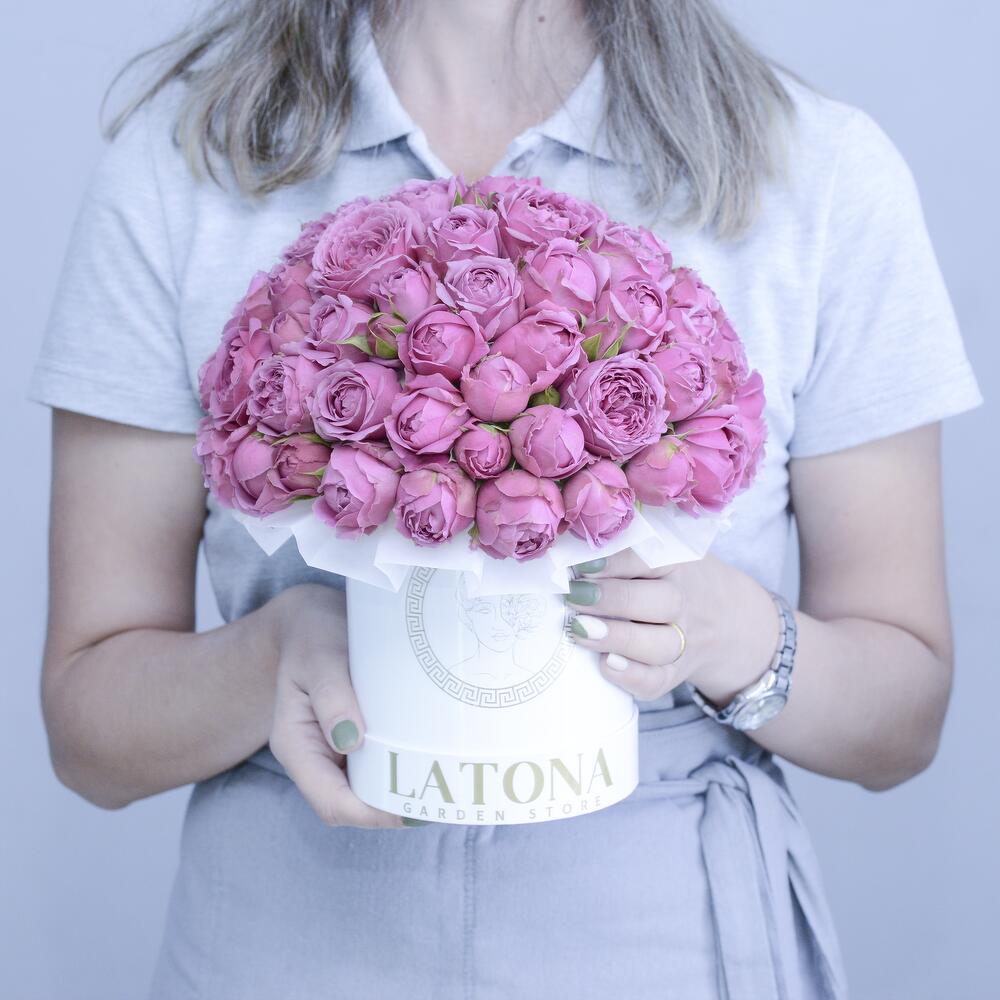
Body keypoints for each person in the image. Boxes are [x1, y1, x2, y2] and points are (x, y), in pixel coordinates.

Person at [29, 1, 983, 997]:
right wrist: (269, 659)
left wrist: (732, 635)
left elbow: (901, 720)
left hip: (666, 946)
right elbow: (91, 732)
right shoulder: (185, 163)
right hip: (285, 948)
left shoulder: (817, 169)